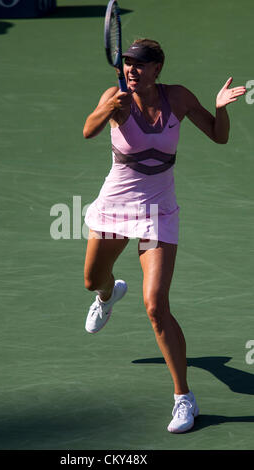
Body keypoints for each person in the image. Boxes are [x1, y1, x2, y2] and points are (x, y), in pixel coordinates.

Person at [82, 38, 246, 433]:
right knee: (91, 280)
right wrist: (108, 109)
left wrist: (221, 109)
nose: (131, 70)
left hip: (158, 214)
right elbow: (88, 131)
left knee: (156, 305)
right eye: (126, 64)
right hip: (114, 209)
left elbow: (219, 136)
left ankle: (183, 397)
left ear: (158, 68)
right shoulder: (115, 96)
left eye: (140, 64)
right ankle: (108, 295)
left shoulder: (180, 98)